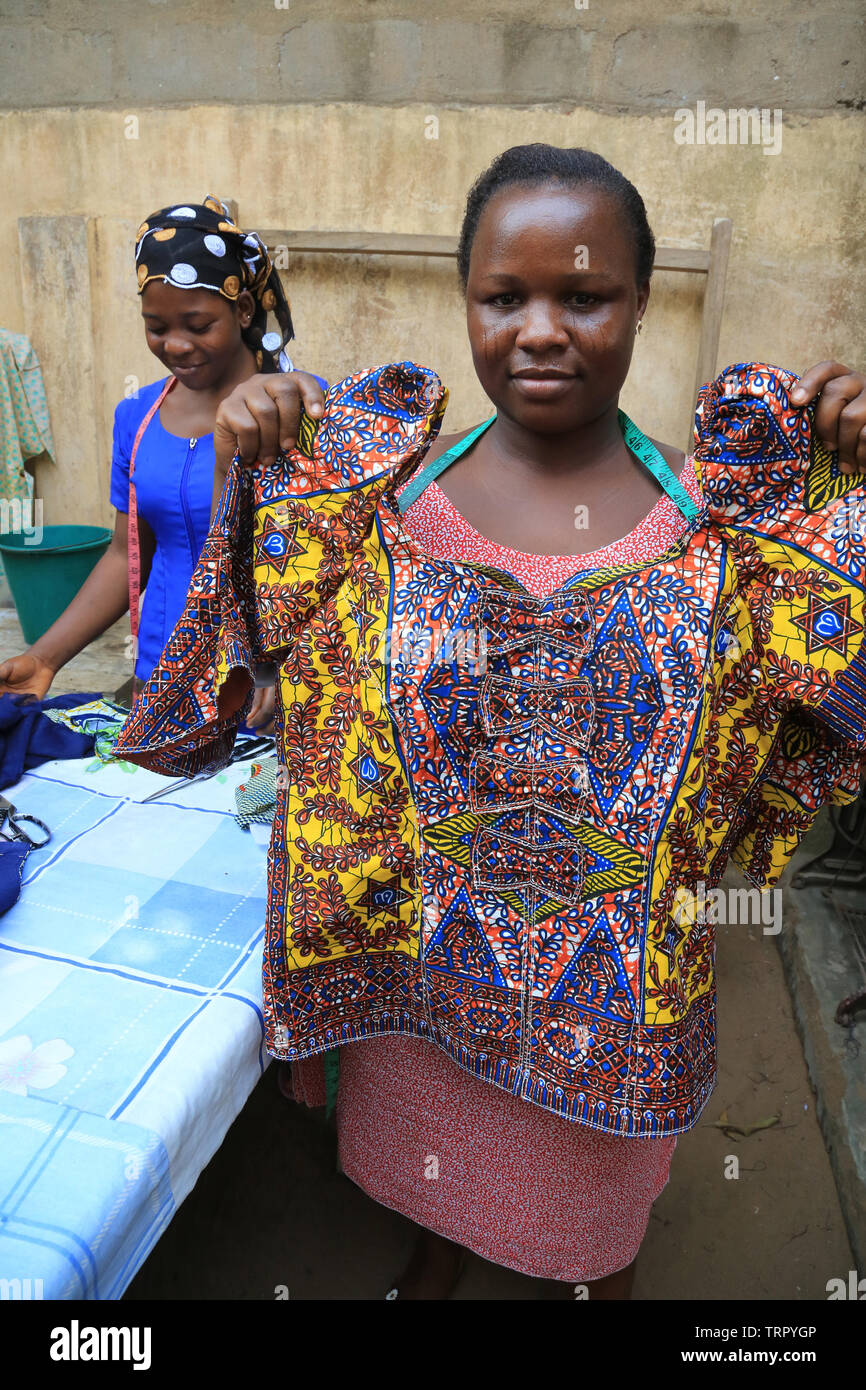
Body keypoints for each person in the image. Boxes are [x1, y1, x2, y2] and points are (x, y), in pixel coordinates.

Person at [114, 145, 866, 1300]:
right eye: (502, 296)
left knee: (587, 1256)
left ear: (639, 303)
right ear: (464, 302)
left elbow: (822, 684)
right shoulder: (368, 502)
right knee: (431, 1195)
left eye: (584, 295)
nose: (539, 329)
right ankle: (434, 1251)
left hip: (613, 1014)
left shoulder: (731, 540)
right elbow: (237, 665)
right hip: (414, 995)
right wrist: (252, 434)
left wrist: (847, 482)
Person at [0, 194, 326, 734]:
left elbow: (325, 565)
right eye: (157, 326)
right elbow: (126, 554)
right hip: (163, 681)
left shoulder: (293, 411)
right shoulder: (138, 416)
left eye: (198, 325)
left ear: (242, 311)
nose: (176, 345)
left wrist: (276, 668)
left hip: (272, 688)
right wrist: (45, 658)